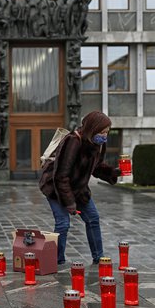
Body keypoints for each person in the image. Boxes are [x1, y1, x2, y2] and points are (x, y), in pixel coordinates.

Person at [47, 111, 120, 265]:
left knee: (93, 218)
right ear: (92, 129)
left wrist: (113, 172)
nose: (105, 136)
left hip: (79, 188)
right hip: (56, 188)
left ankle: (99, 257)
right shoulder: (73, 141)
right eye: (102, 132)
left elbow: (96, 166)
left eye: (107, 132)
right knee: (63, 223)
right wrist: (69, 203)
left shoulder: (98, 144)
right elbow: (61, 176)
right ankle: (57, 260)